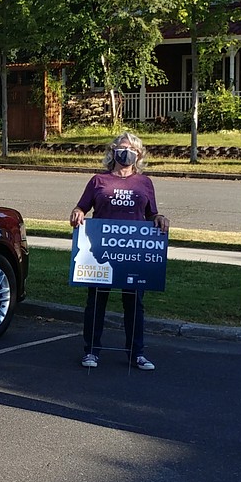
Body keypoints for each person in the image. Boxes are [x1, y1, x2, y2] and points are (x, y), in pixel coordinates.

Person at [69, 132, 169, 370]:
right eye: (123, 148)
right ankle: (91, 350)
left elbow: (151, 213)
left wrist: (159, 218)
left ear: (139, 155)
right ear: (113, 151)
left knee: (134, 303)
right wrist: (78, 212)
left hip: (132, 252)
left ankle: (137, 353)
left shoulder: (144, 183)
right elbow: (82, 206)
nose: (127, 153)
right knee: (96, 300)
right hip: (101, 249)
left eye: (133, 149)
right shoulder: (98, 181)